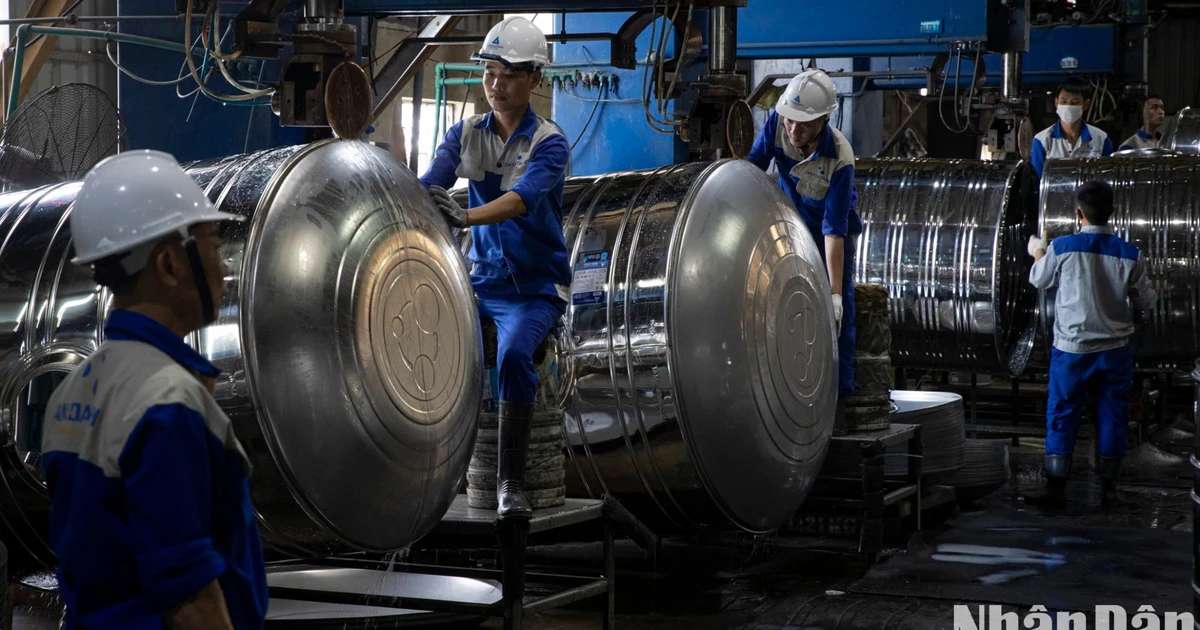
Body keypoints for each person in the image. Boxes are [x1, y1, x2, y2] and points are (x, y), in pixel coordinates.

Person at [41, 151, 266, 629]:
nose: (224, 270)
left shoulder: (72, 393)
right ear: (169, 264)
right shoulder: (167, 404)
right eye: (212, 247)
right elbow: (190, 598)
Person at [420, 16, 571, 522]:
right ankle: (435, 469)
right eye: (489, 73)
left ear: (535, 79)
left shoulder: (550, 143)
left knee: (510, 356)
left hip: (533, 288)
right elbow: (428, 187)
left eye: (509, 74)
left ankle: (509, 484)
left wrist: (461, 215)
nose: (495, 84)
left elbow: (520, 200)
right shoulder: (464, 134)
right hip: (479, 282)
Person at [1025, 180, 1156, 510]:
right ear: (1112, 213)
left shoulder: (1063, 247)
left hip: (1072, 350)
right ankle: (1109, 490)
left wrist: (1038, 250)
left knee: (1063, 413)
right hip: (1115, 351)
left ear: (1078, 213)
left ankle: (1056, 489)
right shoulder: (1130, 253)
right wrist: (1134, 322)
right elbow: (1146, 301)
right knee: (1113, 416)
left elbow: (1039, 279)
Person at [746, 69, 861, 403]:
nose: (794, 130)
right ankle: (788, 384)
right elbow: (752, 170)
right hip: (788, 223)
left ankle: (839, 393)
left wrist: (836, 293)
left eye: (805, 124)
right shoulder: (777, 126)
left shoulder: (840, 159)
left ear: (824, 120)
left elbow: (834, 228)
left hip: (826, 231)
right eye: (789, 121)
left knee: (838, 313)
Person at [1029, 78, 1114, 179]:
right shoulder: (1042, 140)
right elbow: (1037, 181)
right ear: (1056, 103)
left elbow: (1108, 178)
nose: (1068, 107)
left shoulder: (1101, 139)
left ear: (1086, 104)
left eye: (1074, 102)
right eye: (1063, 102)